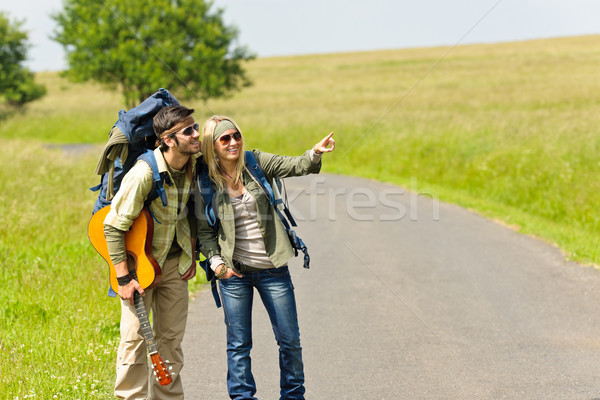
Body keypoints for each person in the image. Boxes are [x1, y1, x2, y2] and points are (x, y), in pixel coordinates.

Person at [196, 115, 335, 400]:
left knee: (290, 341)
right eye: (225, 138)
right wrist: (217, 265)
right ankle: (243, 397)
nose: (233, 142)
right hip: (234, 274)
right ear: (213, 145)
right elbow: (204, 230)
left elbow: (295, 165)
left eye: (236, 135)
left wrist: (315, 153)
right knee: (238, 345)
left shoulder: (255, 162)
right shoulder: (204, 179)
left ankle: (293, 396)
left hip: (273, 269)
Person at [103, 105, 201, 399]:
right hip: (138, 271)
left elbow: (187, 214)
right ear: (168, 140)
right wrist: (123, 279)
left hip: (173, 266)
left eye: (195, 127)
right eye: (189, 131)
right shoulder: (144, 174)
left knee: (170, 342)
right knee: (134, 340)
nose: (196, 134)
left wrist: (191, 254)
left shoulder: (191, 167)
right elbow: (112, 227)